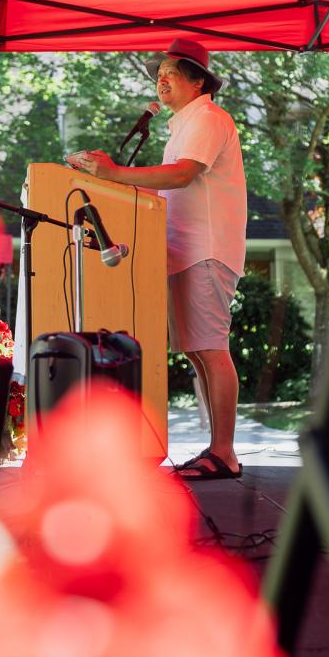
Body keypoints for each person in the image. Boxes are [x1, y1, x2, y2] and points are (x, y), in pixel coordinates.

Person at [76, 37, 247, 480]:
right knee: (198, 353)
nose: (161, 79)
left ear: (197, 81)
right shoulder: (184, 125)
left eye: (171, 72)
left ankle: (224, 453)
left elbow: (183, 175)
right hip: (186, 252)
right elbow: (167, 186)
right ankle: (217, 449)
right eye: (159, 74)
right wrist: (110, 183)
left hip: (206, 250)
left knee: (210, 350)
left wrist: (115, 173)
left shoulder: (208, 118)